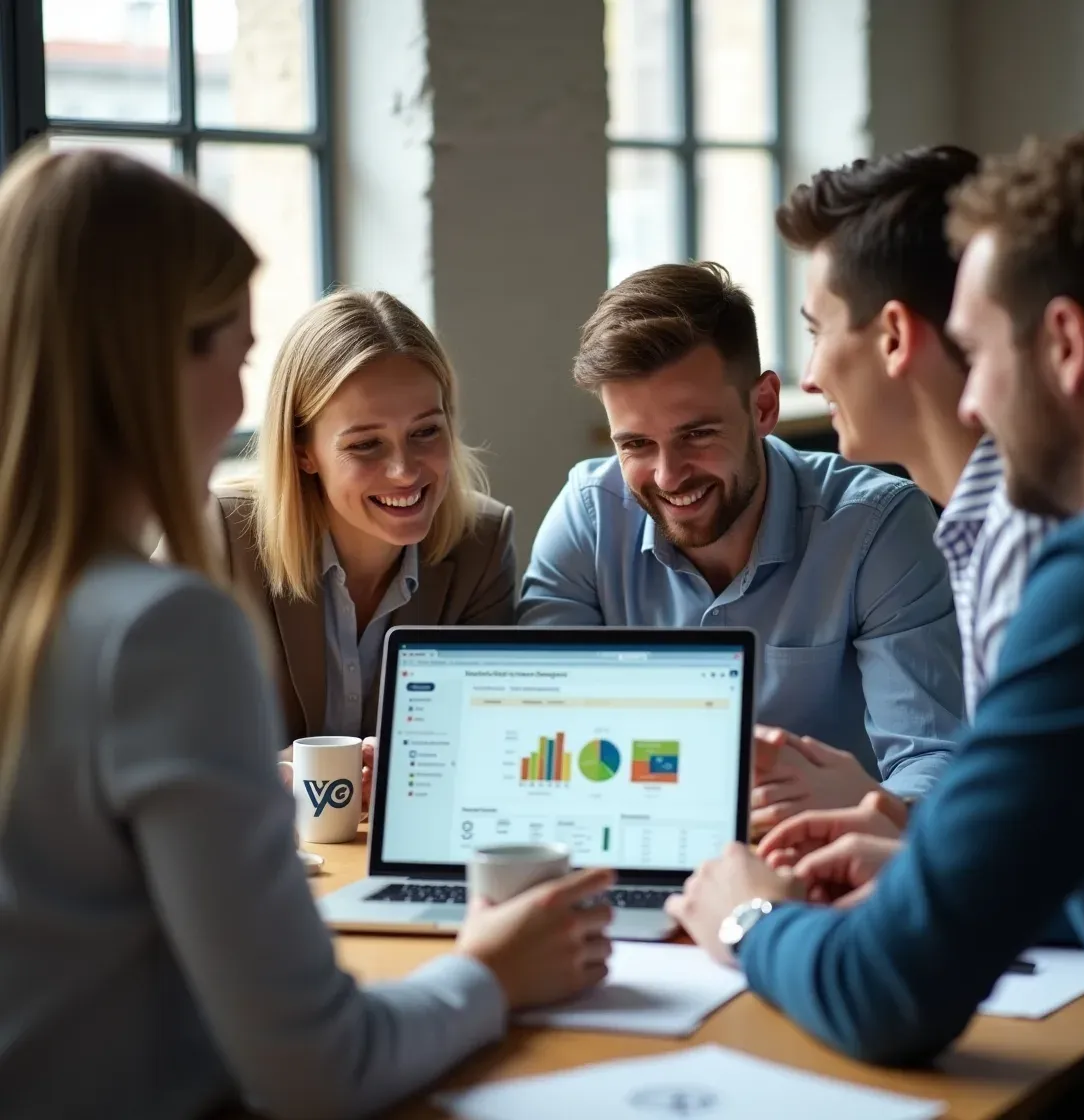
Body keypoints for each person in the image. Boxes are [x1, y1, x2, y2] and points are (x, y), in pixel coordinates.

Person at [0, 147, 612, 1120]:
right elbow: (318, 1068)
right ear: (151, 362)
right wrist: (493, 972)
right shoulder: (162, 628)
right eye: (236, 358)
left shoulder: (44, 600)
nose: (238, 403)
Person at [665, 126, 1084, 1066]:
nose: (971, 401)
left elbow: (889, 994)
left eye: (978, 350)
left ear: (1066, 344)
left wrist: (748, 917)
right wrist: (930, 866)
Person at [520, 261, 965, 815]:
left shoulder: (877, 526)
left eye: (697, 434)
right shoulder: (588, 516)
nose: (668, 476)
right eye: (635, 444)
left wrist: (856, 824)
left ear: (763, 407)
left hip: (825, 847)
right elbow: (540, 727)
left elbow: (932, 758)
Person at [751, 146, 1058, 835]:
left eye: (817, 330)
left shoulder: (1029, 546)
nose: (810, 376)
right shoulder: (978, 527)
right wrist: (890, 831)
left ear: (893, 336)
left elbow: (1020, 854)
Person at [158, 288, 516, 751]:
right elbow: (146, 728)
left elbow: (479, 740)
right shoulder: (217, 536)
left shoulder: (482, 544)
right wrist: (269, 774)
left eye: (426, 431)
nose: (404, 472)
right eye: (366, 444)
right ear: (302, 451)